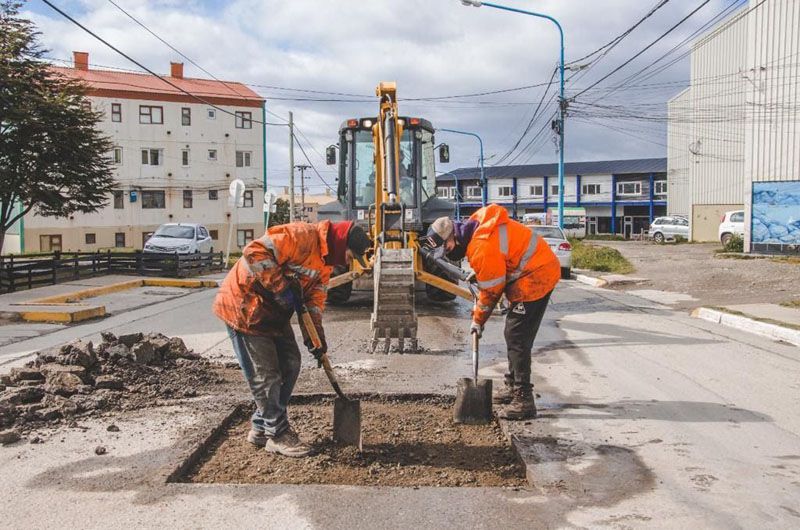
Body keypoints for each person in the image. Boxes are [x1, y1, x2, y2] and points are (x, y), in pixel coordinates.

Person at [213, 220, 371, 456]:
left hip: (272, 313)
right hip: (245, 306)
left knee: (291, 363)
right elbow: (254, 252)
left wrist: (316, 340)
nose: (348, 262)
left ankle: (260, 426)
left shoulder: (325, 263)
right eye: (350, 255)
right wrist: (281, 287)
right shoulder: (302, 236)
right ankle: (277, 434)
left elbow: (314, 304)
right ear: (340, 244)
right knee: (266, 374)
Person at [424, 204, 560, 419]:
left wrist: (478, 320)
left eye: (448, 249)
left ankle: (524, 398)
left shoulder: (481, 245)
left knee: (517, 336)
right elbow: (496, 265)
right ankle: (512, 385)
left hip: (536, 276)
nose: (450, 254)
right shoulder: (476, 229)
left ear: (453, 237)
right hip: (531, 270)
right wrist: (479, 274)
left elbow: (490, 292)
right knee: (513, 333)